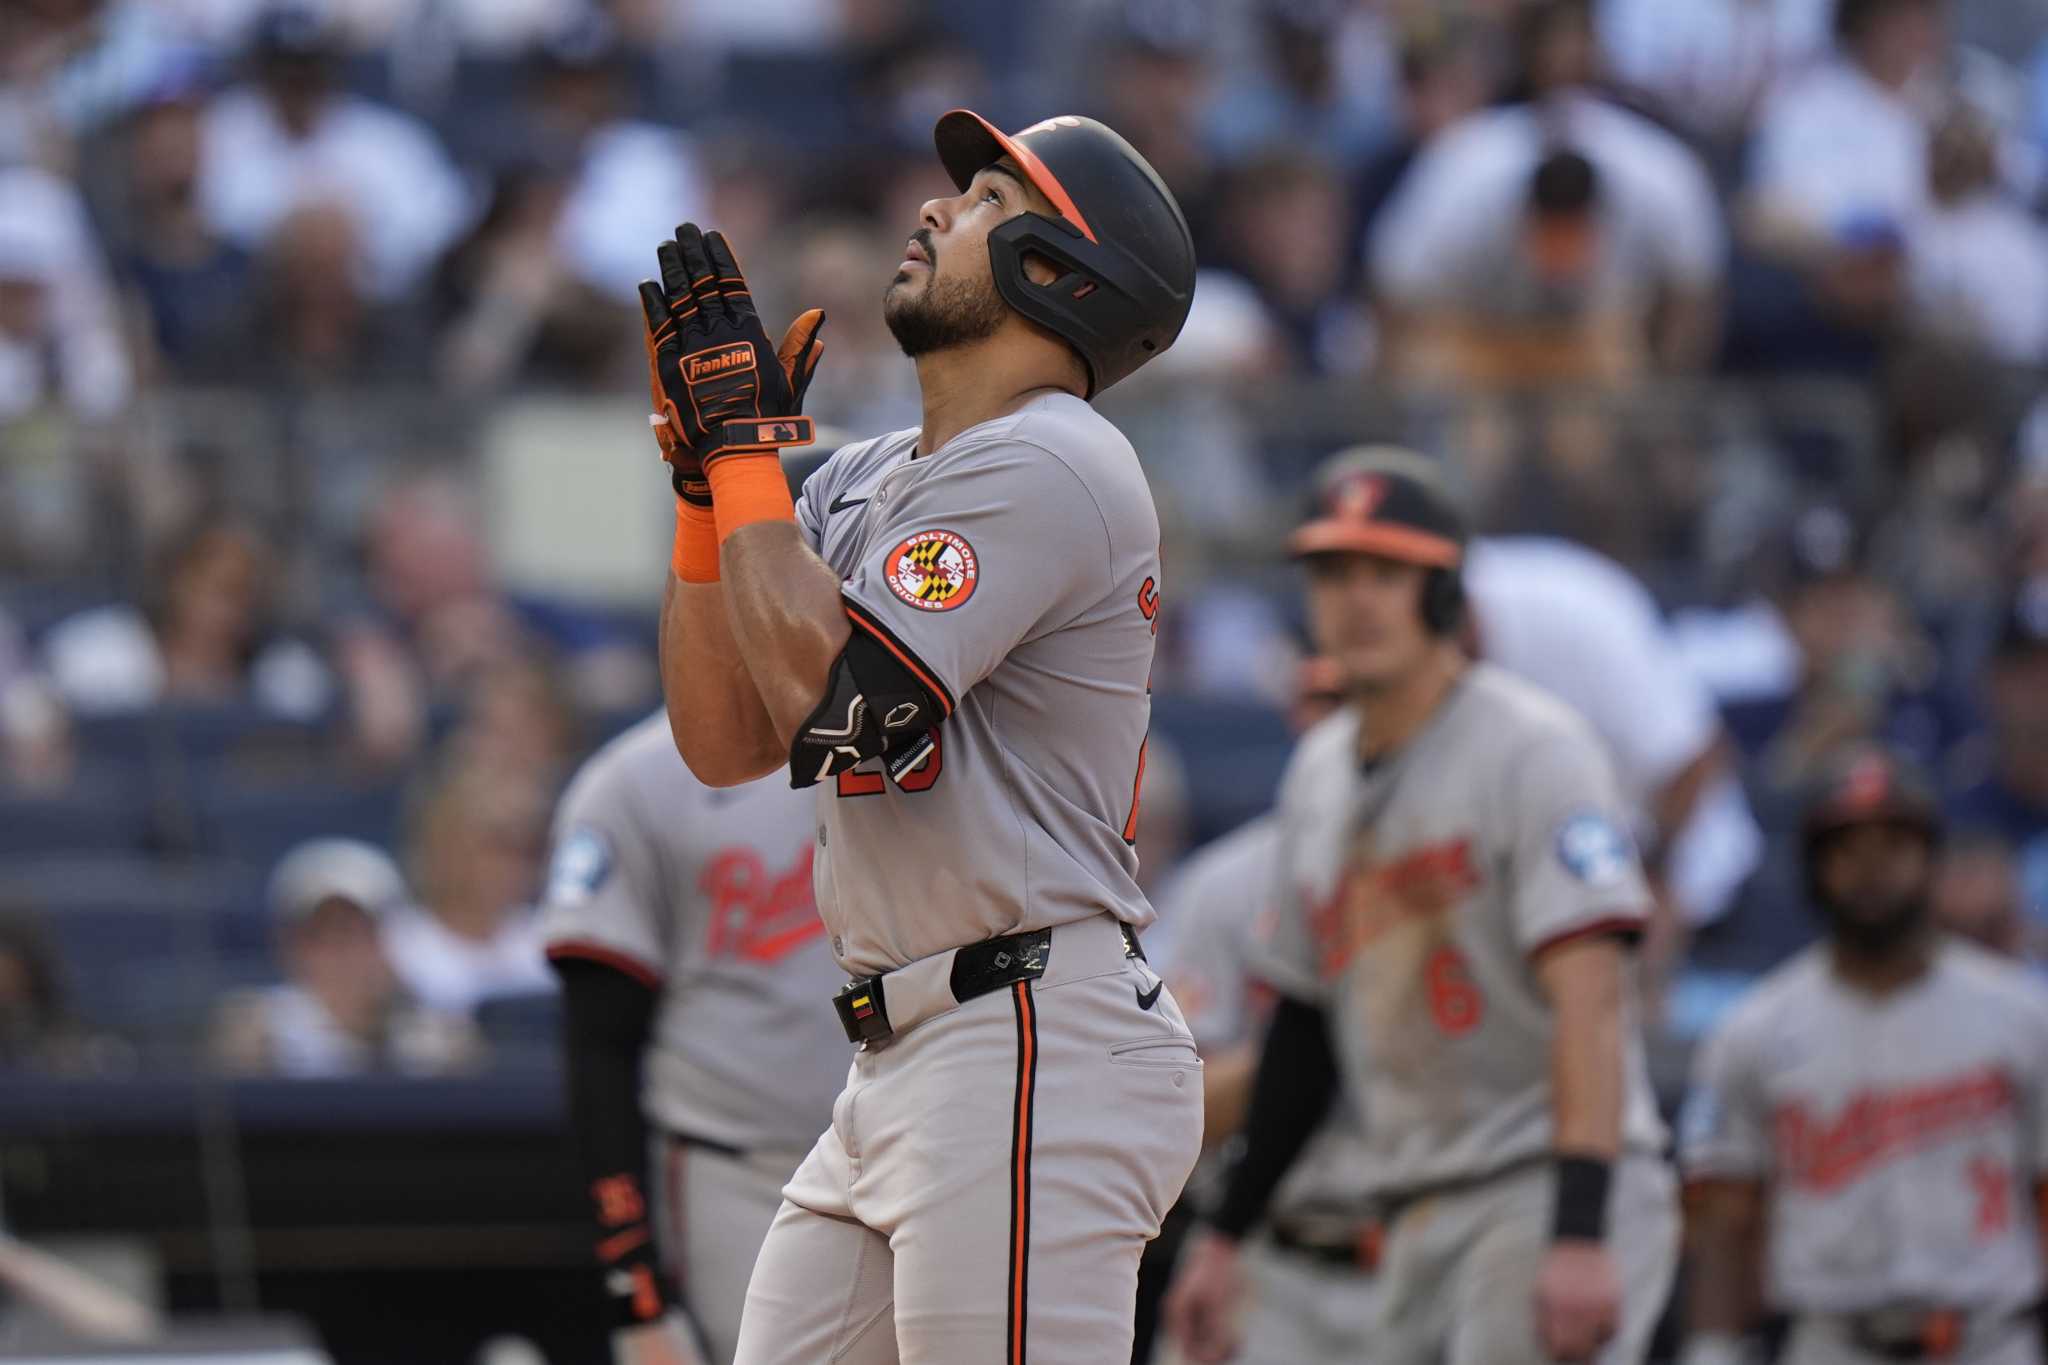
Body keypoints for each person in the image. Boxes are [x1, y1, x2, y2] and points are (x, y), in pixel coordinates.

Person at [641, 109, 1204, 1361]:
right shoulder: (862, 473)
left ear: (1059, 272)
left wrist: (744, 463)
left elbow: (847, 714)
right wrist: (708, 491)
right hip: (907, 1057)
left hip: (1029, 1041)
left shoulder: (1058, 458)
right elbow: (727, 741)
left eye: (992, 200)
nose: (937, 210)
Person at [1165, 446, 1678, 1365]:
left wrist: (1578, 1230)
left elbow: (1594, 1001)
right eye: (1331, 571)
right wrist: (1225, 1234)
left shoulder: (1535, 747)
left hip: (1540, 1181)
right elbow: (1305, 1035)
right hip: (1416, 1206)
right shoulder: (1318, 776)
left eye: (1386, 571)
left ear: (1446, 594)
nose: (1355, 599)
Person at [1679, 745, 2048, 1365]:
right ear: (1813, 867)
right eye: (1847, 849)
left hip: (1989, 1337)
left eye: (1893, 846)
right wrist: (1712, 1349)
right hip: (1833, 1341)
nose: (1872, 869)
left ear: (1930, 858)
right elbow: (1723, 1218)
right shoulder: (1754, 1030)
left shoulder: (2022, 1014)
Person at [541, 707, 850, 1365]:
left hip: (918, 1151)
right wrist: (637, 1291)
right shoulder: (634, 781)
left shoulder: (914, 738)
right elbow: (598, 1045)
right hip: (742, 1175)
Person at [1150, 658, 1382, 1365]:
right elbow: (1172, 1107)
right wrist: (1314, 1035)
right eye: (1318, 700)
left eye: (1355, 697)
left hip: (1417, 1250)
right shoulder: (1228, 883)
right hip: (1267, 1252)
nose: (1336, 723)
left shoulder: (1464, 864)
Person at [209, 839, 481, 1077]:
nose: (344, 954)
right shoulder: (262, 1030)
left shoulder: (432, 1035)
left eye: (359, 933)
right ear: (291, 946)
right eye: (321, 936)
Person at [384, 761, 554, 1017]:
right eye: (499, 845)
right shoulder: (396, 948)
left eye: (528, 848)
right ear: (448, 847)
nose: (516, 864)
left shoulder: (548, 942)